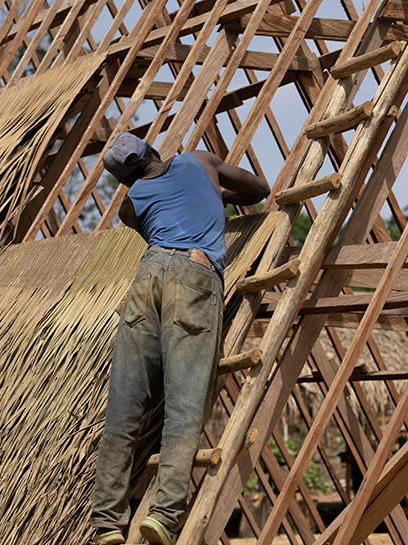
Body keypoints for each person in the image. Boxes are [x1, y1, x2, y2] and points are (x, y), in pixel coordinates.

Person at [91, 133, 269, 545]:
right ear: (153, 149)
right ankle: (165, 514)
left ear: (123, 181)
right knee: (185, 402)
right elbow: (261, 189)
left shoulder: (130, 206)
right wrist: (218, 193)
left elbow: (163, 229)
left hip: (146, 278)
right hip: (195, 274)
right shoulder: (200, 160)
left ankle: (106, 523)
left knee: (124, 405)